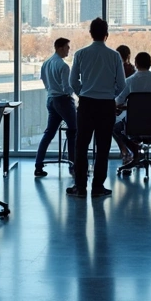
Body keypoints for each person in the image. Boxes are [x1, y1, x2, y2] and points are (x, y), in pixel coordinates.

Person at [69, 18, 126, 198]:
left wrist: (82, 93)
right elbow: (122, 84)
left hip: (86, 104)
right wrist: (110, 94)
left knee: (81, 146)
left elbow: (72, 82)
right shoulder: (114, 56)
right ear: (106, 35)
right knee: (103, 148)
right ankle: (98, 187)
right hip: (106, 105)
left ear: (90, 34)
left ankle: (80, 187)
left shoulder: (80, 54)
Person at [113, 52, 151, 162]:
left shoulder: (129, 81)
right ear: (150, 64)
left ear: (136, 64)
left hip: (134, 125)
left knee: (114, 128)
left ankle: (134, 151)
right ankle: (137, 151)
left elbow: (119, 100)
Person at [34, 38, 78, 177]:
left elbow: (45, 82)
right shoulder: (64, 66)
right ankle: (74, 165)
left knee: (49, 133)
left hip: (51, 99)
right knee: (74, 131)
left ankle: (38, 165)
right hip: (63, 101)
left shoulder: (46, 63)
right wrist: (78, 92)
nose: (68, 50)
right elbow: (66, 87)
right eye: (67, 47)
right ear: (60, 48)